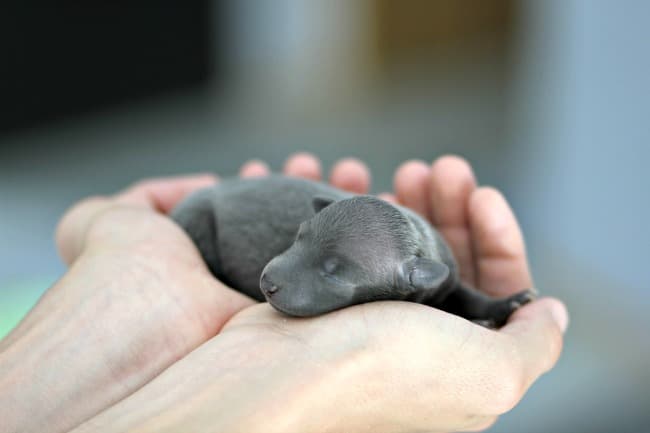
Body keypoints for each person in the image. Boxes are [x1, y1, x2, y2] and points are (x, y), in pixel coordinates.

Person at [0, 153, 567, 433]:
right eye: (301, 242)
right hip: (214, 224)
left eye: (331, 269)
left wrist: (488, 309)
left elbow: (455, 292)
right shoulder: (372, 252)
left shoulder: (428, 266)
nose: (277, 273)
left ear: (418, 280)